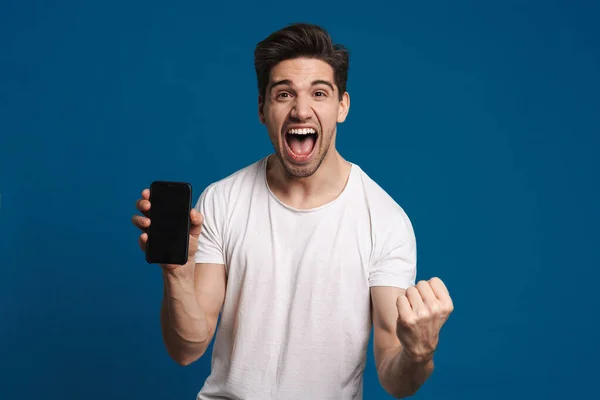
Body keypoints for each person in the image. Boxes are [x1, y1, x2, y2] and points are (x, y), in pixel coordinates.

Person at [132, 23, 453, 400]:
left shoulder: (384, 221)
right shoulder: (221, 201)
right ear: (262, 109)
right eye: (284, 94)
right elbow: (186, 350)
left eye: (320, 93)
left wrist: (419, 352)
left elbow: (394, 378)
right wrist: (178, 277)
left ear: (342, 106)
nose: (302, 110)